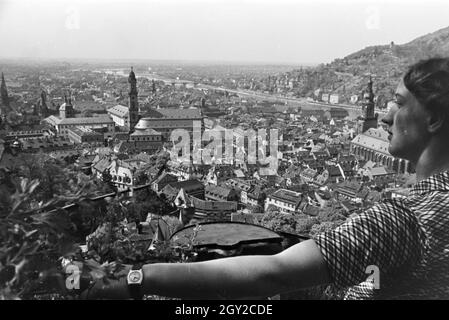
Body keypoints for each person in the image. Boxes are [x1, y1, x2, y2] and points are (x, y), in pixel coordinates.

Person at [81, 57, 449, 300]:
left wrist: (135, 280)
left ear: (433, 119)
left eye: (399, 103)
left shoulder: (406, 219)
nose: (385, 117)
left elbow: (271, 274)